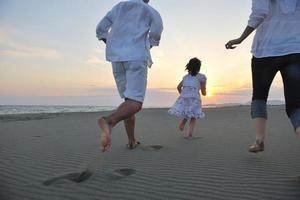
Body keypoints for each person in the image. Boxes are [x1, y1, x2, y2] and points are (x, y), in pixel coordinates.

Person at [225, 0, 300, 153]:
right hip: (295, 49)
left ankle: (259, 140)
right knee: (296, 104)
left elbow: (259, 13)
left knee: (259, 96)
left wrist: (240, 38)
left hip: (265, 50)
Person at [96, 0, 163, 152]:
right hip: (136, 57)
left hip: (116, 59)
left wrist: (115, 44)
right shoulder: (149, 10)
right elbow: (157, 31)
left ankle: (131, 140)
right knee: (135, 102)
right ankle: (109, 122)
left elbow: (100, 29)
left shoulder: (118, 7)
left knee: (128, 101)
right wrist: (148, 44)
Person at [168, 58, 207, 138]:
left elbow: (178, 87)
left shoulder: (185, 77)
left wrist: (182, 95)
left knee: (188, 111)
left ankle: (182, 123)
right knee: (193, 115)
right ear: (198, 67)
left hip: (184, 97)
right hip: (195, 98)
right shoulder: (202, 77)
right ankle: (190, 134)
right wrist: (204, 92)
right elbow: (203, 91)